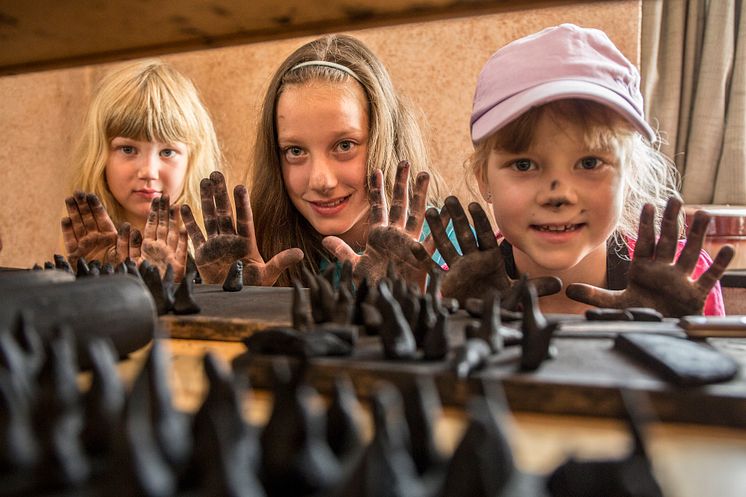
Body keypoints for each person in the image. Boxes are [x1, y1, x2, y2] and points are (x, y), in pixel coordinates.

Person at [413, 24, 732, 316]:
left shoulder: (681, 278)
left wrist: (675, 338)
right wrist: (464, 325)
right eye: (524, 164)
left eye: (590, 163)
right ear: (484, 179)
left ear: (629, 174)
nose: (559, 195)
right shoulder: (460, 286)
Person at [182, 34, 450, 288]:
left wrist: (409, 301)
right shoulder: (259, 253)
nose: (321, 180)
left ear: (386, 141)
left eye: (345, 146)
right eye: (295, 151)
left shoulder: (446, 251)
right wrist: (243, 302)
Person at [60, 59, 222, 278]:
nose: (148, 171)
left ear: (191, 160)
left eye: (167, 152)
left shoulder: (214, 257)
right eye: (128, 149)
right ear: (99, 156)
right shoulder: (84, 249)